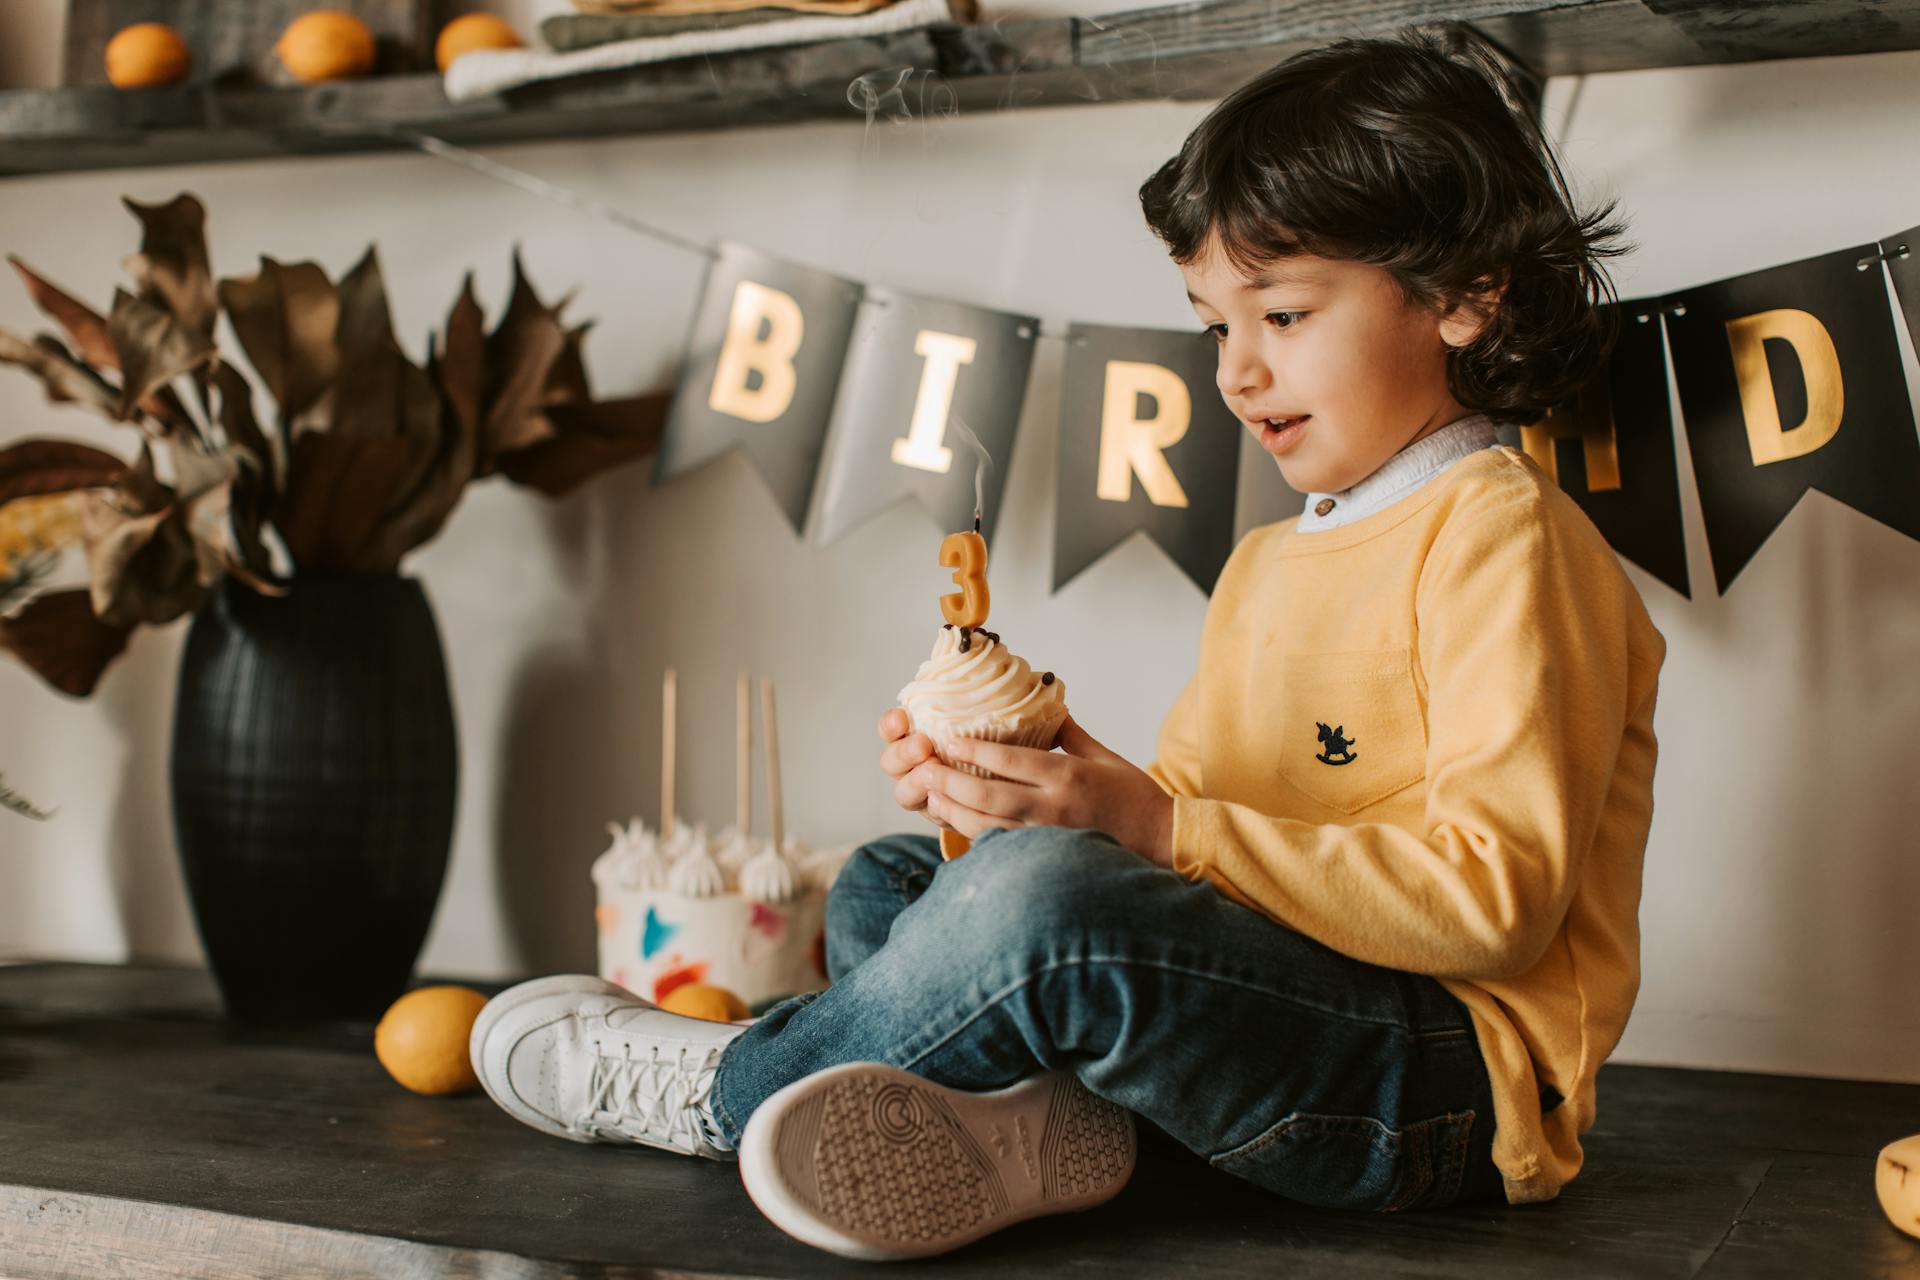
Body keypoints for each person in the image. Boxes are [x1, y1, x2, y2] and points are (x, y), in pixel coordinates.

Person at [469, 27, 1666, 1261]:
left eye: (1286, 313)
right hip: (1286, 1016)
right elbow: (1193, 847)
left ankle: (725, 1092)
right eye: (1212, 327)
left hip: (1439, 1089)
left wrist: (1136, 832)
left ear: (1472, 296)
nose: (1240, 374)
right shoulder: (1271, 559)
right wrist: (1048, 794)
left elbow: (1494, 903)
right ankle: (1027, 1128)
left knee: (1042, 905)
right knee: (900, 876)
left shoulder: (1505, 537)